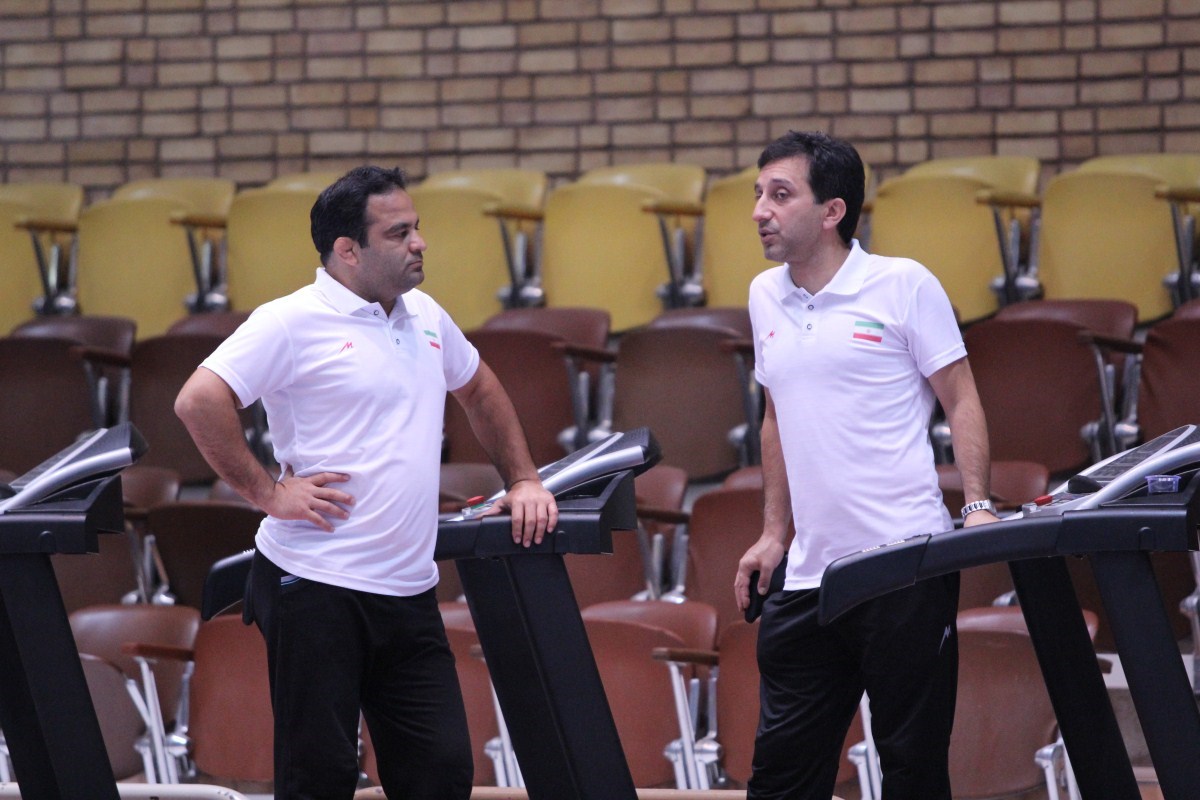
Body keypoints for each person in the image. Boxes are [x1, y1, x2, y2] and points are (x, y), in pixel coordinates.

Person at [174, 165, 558, 800]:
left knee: (440, 775)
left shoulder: (426, 314)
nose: (419, 243)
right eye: (399, 233)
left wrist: (523, 480)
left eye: (416, 228)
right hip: (315, 586)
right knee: (319, 779)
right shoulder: (290, 320)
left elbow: (480, 390)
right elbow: (198, 401)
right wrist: (268, 493)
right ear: (347, 250)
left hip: (408, 589)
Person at [732, 131, 999, 800]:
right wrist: (773, 533)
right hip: (808, 579)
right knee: (781, 780)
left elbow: (961, 399)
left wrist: (977, 505)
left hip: (904, 566)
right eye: (758, 194)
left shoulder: (903, 284)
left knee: (912, 772)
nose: (760, 210)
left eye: (780, 195)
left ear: (832, 211)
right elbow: (775, 416)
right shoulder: (763, 294)